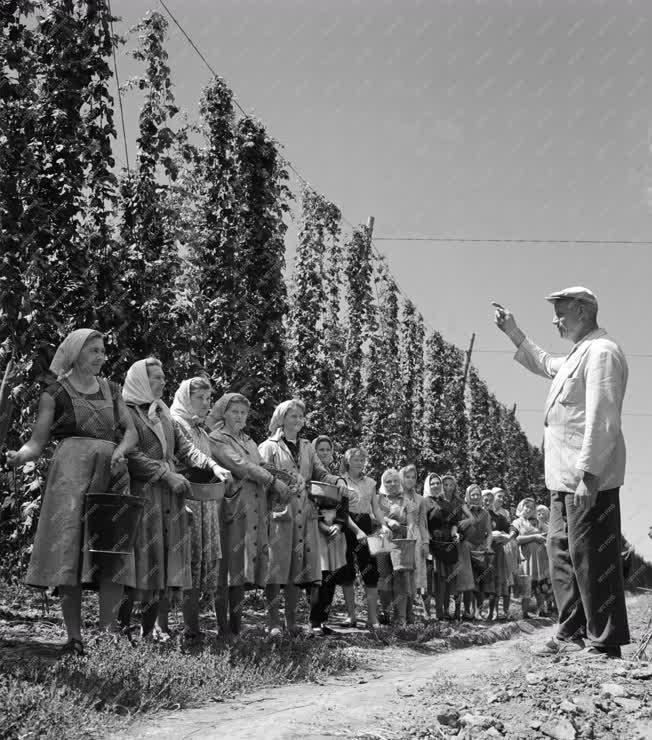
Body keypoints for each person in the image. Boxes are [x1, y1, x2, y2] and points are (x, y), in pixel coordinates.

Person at [494, 287, 629, 658]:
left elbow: (603, 415)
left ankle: (606, 642)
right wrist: (513, 333)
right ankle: (571, 632)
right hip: (562, 479)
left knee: (593, 557)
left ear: (582, 311)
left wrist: (589, 472)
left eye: (561, 313)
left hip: (588, 478)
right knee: (562, 554)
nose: (555, 320)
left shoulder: (602, 352)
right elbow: (543, 362)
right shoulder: (576, 355)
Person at [7, 329, 138, 655]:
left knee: (112, 551)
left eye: (102, 351)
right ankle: (74, 638)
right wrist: (18, 456)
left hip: (112, 474)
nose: (101, 357)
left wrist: (121, 450)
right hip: (70, 477)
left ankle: (109, 638)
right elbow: (37, 442)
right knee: (70, 554)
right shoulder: (55, 393)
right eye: (93, 351)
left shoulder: (112, 390)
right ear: (76, 353)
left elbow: (131, 433)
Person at [118, 359, 228, 640]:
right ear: (141, 380)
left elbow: (186, 448)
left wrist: (213, 466)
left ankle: (147, 633)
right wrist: (164, 474)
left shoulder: (163, 413)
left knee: (162, 561)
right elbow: (130, 454)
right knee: (136, 562)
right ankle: (122, 632)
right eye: (156, 377)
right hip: (140, 494)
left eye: (164, 377)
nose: (163, 382)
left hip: (168, 499)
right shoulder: (126, 411)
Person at [258, 400, 345, 634]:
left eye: (301, 416)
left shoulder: (307, 447)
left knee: (297, 570)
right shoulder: (269, 446)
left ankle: (292, 622)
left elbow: (320, 473)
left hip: (304, 513)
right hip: (279, 513)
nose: (298, 420)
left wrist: (338, 481)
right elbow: (262, 476)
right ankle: (274, 622)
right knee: (276, 569)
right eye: (293, 416)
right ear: (282, 417)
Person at [207, 393, 289, 636]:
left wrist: (283, 479)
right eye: (235, 411)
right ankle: (225, 630)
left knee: (242, 569)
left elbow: (260, 465)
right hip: (232, 510)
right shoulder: (217, 438)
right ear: (224, 412)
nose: (240, 416)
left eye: (243, 412)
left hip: (255, 511)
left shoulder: (250, 440)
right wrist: (272, 480)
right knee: (228, 568)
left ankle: (237, 628)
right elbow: (239, 465)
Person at [169, 378, 232, 640]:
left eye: (209, 398)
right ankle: (182, 627)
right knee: (186, 562)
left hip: (207, 500)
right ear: (186, 397)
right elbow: (185, 458)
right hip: (186, 499)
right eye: (200, 398)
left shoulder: (201, 429)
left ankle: (193, 626)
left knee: (204, 563)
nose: (207, 404)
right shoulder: (176, 422)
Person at [340, 447, 388, 628]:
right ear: (347, 461)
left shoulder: (370, 482)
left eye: (362, 460)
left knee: (370, 570)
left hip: (366, 523)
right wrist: (355, 530)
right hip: (347, 524)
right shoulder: (341, 481)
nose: (360, 463)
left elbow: (375, 507)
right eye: (356, 459)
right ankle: (351, 616)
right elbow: (341, 510)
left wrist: (383, 525)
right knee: (347, 571)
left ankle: (372, 617)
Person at [309, 435, 349, 635]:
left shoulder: (336, 478)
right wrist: (323, 526)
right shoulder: (310, 476)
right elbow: (308, 506)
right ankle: (314, 622)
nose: (324, 453)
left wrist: (339, 526)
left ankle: (324, 621)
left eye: (327, 449)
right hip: (316, 533)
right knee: (319, 578)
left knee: (331, 579)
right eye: (320, 449)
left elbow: (344, 505)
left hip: (334, 535)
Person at [377, 468, 418, 626]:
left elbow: (412, 521)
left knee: (401, 577)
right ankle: (386, 613)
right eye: (388, 481)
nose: (392, 484)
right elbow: (374, 515)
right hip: (383, 540)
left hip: (401, 541)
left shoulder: (406, 500)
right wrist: (387, 521)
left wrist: (410, 535)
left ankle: (401, 617)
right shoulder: (378, 499)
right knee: (384, 577)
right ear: (383, 483)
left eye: (395, 480)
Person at [397, 465, 430, 620]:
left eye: (413, 477)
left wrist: (425, 543)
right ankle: (397, 613)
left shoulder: (420, 499)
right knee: (398, 575)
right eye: (407, 476)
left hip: (415, 537)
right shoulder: (394, 494)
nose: (410, 480)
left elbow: (423, 523)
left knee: (413, 576)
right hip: (397, 536)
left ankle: (410, 613)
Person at [510, 498, 548, 619]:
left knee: (541, 584)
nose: (529, 509)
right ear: (521, 507)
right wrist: (534, 537)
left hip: (540, 558)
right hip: (526, 558)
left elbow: (547, 533)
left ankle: (542, 610)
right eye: (526, 506)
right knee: (527, 584)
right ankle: (524, 613)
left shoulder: (537, 522)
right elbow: (516, 539)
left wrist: (543, 537)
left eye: (532, 508)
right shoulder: (517, 522)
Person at [460, 484, 494, 620]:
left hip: (480, 549)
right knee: (468, 581)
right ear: (468, 496)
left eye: (477, 495)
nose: (475, 497)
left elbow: (489, 532)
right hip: (466, 548)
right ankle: (467, 611)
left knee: (480, 581)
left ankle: (479, 611)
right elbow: (458, 526)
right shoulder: (463, 510)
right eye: (472, 494)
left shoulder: (485, 513)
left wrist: (488, 546)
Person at [483, 489, 514, 620]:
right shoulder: (472, 514)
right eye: (485, 498)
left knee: (495, 582)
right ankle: (475, 611)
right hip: (479, 552)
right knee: (478, 581)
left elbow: (512, 528)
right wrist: (489, 535)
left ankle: (493, 611)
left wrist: (509, 537)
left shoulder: (497, 517)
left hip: (496, 553)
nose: (488, 501)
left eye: (490, 499)